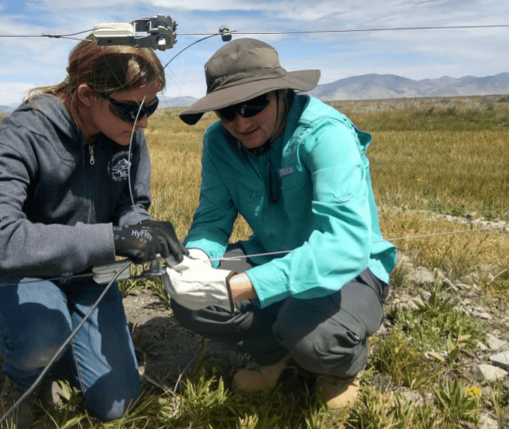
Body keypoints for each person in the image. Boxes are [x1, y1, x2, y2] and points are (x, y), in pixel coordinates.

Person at [0, 35, 187, 427]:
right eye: (131, 109)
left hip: (89, 277)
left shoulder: (126, 132)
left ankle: (59, 353)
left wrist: (140, 229)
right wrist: (111, 240)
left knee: (117, 406)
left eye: (152, 107)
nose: (144, 121)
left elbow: (131, 204)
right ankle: (24, 377)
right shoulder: (23, 133)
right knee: (40, 338)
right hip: (22, 274)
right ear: (85, 95)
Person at [162, 38, 397, 410]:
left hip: (351, 269)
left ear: (281, 93)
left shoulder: (325, 133)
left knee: (315, 338)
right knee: (188, 302)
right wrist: (196, 261)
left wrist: (240, 287)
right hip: (271, 255)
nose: (241, 121)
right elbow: (212, 219)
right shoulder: (217, 142)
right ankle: (273, 352)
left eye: (253, 105)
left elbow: (345, 246)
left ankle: (341, 366)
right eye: (226, 111)